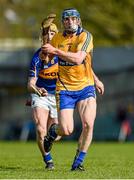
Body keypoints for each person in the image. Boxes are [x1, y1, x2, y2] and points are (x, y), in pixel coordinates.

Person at [42, 8, 104, 171]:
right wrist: (45, 46)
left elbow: (79, 59)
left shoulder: (86, 36)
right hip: (64, 89)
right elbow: (46, 59)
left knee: (88, 124)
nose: (70, 22)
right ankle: (55, 130)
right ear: (63, 22)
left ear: (78, 20)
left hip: (86, 86)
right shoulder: (56, 38)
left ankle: (78, 163)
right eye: (67, 19)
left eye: (73, 19)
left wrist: (96, 79)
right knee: (67, 130)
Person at [27, 15, 60, 170]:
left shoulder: (62, 55)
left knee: (57, 133)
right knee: (41, 129)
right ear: (43, 37)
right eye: (47, 33)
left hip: (59, 96)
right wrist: (36, 90)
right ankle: (48, 161)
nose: (49, 36)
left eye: (53, 33)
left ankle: (51, 139)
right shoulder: (36, 58)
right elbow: (30, 84)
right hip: (41, 95)